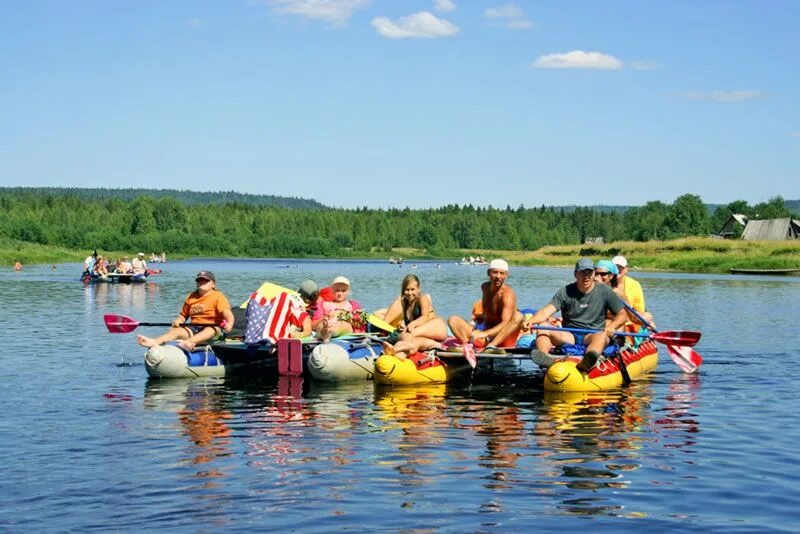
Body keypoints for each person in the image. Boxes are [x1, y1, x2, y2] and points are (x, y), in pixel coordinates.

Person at [526, 258, 628, 372]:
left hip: (591, 335)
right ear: (575, 274)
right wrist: (532, 321)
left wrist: (612, 326)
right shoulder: (565, 291)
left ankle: (588, 361)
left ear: (594, 273)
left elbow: (623, 314)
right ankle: (545, 358)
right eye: (582, 272)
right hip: (569, 335)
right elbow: (546, 311)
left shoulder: (605, 291)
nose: (586, 276)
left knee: (602, 336)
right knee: (543, 326)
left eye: (589, 272)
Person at [137, 270, 234, 351]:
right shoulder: (191, 297)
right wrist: (179, 321)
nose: (202, 282)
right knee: (175, 331)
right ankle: (155, 342)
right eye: (199, 280)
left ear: (213, 284)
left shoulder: (218, 297)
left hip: (215, 328)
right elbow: (183, 316)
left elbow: (228, 314)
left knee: (210, 330)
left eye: (205, 281)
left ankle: (189, 342)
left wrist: (229, 324)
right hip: (194, 327)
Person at [448, 259, 520, 350]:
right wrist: (482, 316)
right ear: (488, 273)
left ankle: (490, 346)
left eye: (502, 273)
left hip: (502, 338)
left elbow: (505, 323)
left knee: (519, 316)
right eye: (495, 272)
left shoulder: (508, 294)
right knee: (453, 320)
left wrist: (484, 333)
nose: (498, 276)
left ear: (506, 275)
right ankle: (467, 346)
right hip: (485, 335)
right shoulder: (484, 287)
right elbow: (490, 309)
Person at [380, 274, 448, 359]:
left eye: (413, 289)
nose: (410, 293)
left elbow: (425, 317)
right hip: (422, 336)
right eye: (407, 290)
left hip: (436, 327)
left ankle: (403, 345)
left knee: (407, 333)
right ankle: (400, 353)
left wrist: (412, 324)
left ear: (418, 289)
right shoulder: (405, 303)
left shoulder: (422, 298)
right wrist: (403, 324)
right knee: (412, 339)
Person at [312, 276, 365, 341]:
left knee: (342, 324)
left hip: (343, 327)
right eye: (337, 290)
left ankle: (329, 332)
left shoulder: (352, 305)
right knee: (322, 325)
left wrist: (348, 317)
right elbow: (312, 325)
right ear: (332, 290)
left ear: (348, 292)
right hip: (326, 324)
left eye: (343, 291)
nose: (340, 293)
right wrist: (324, 317)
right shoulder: (324, 304)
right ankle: (325, 332)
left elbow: (359, 325)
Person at [612, 255, 653, 326]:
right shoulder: (605, 281)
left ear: (626, 269)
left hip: (630, 318)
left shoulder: (634, 284)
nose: (617, 270)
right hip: (611, 318)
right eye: (615, 267)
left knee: (648, 316)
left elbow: (639, 310)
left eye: (620, 267)